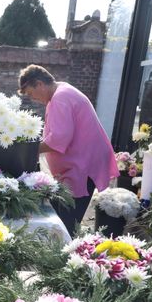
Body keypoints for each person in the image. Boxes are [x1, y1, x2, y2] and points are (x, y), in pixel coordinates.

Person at [18, 64, 119, 235]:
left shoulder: (60, 98)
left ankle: (65, 255)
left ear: (39, 84)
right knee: (62, 215)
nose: (33, 98)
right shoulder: (61, 91)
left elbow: (59, 138)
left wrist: (27, 150)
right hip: (81, 162)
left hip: (82, 166)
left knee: (66, 223)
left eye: (30, 93)